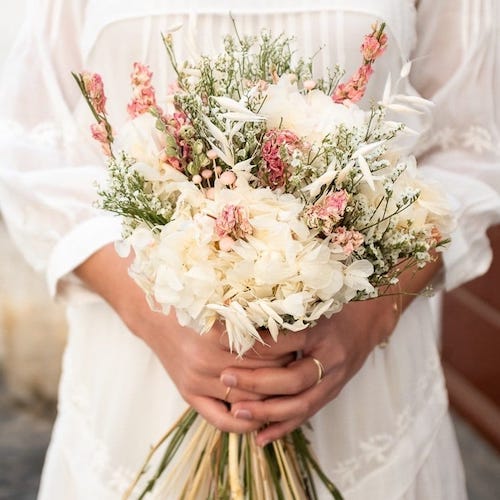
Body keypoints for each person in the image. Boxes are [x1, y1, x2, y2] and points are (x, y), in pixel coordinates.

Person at [0, 0, 499, 498]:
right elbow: (28, 141)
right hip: (139, 373)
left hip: (360, 383)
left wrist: (371, 321)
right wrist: (152, 318)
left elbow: (470, 149)